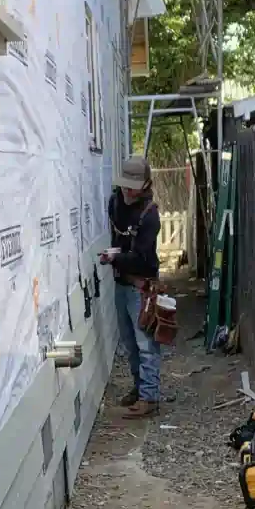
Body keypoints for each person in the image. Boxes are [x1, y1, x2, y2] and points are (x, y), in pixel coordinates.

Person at [100, 155, 161, 418]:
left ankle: (150, 397)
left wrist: (115, 257)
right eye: (124, 185)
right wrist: (115, 253)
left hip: (141, 286)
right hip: (121, 283)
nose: (127, 190)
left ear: (146, 185)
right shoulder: (115, 202)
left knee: (145, 344)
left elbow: (142, 258)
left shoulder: (150, 216)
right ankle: (139, 388)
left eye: (132, 186)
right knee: (129, 342)